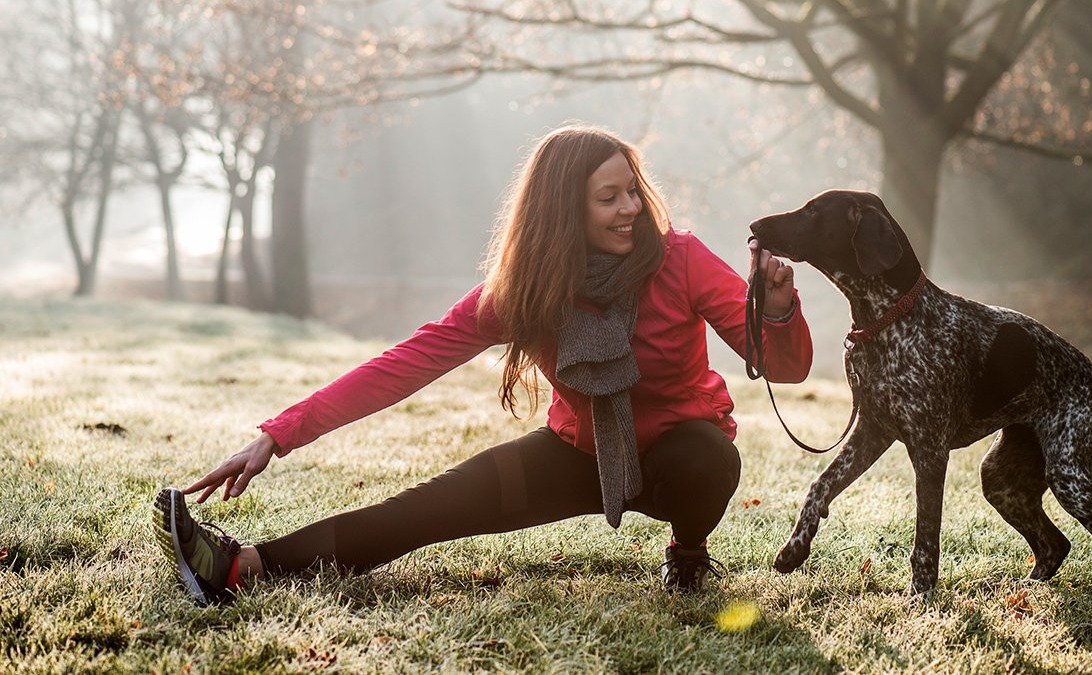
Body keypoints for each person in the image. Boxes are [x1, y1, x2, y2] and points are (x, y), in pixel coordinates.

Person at [152, 124, 813, 606]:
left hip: (678, 454)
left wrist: (778, 310)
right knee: (424, 510)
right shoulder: (525, 292)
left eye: (633, 192)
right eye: (609, 197)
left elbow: (784, 368)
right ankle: (240, 565)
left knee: (710, 458)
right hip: (577, 453)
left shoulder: (682, 259)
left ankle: (687, 553)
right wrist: (278, 432)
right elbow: (403, 365)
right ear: (565, 209)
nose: (631, 209)